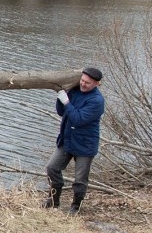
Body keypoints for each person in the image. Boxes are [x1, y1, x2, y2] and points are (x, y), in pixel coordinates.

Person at [43, 67, 105, 215]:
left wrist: (66, 102)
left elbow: (78, 119)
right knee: (52, 168)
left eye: (88, 83)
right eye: (82, 81)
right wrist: (60, 97)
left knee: (80, 179)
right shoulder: (75, 90)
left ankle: (75, 206)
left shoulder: (97, 101)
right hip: (67, 140)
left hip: (85, 144)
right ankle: (53, 200)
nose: (83, 84)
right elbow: (61, 112)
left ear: (96, 84)